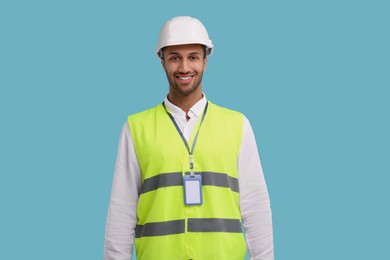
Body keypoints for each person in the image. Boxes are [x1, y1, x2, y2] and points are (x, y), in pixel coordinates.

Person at [104, 16, 274, 260]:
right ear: (162, 60)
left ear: (205, 60)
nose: (184, 67)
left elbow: (255, 208)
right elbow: (121, 213)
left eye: (193, 56)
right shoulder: (135, 128)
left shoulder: (238, 125)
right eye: (175, 57)